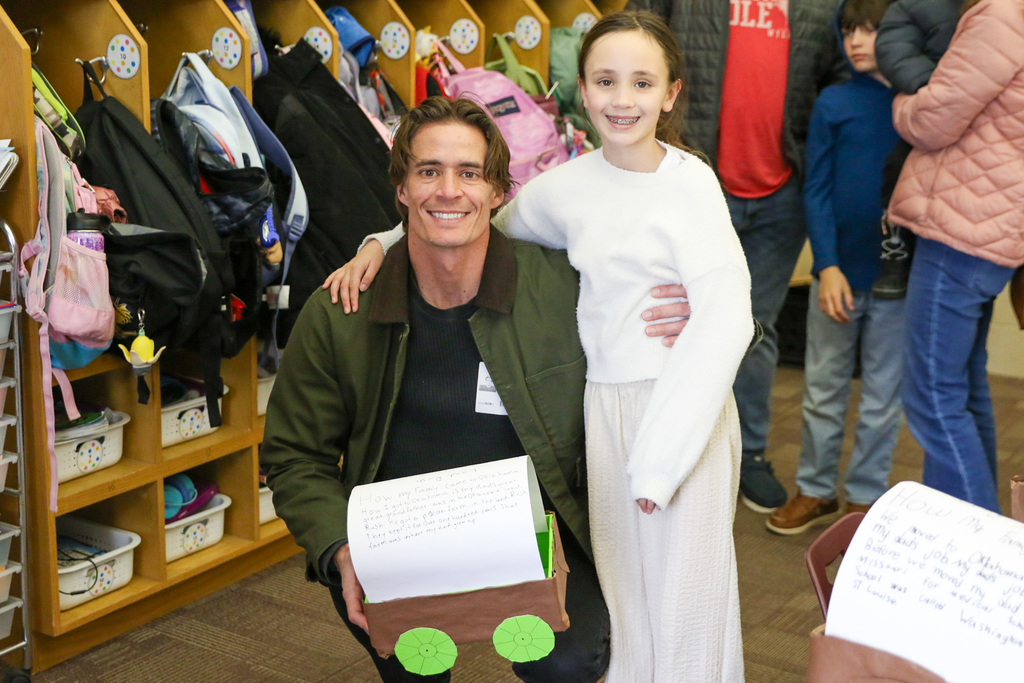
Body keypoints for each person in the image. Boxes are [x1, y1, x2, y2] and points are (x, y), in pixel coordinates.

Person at [324, 12, 751, 681]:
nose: (622, 98)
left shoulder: (691, 181)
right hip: (603, 415)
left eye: (642, 82)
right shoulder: (566, 187)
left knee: (686, 601)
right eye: (606, 80)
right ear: (581, 87)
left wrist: (662, 462)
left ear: (669, 93)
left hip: (679, 410)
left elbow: (728, 316)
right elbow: (470, 222)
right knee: (623, 605)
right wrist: (381, 242)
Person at [260, 95, 689, 683]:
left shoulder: (566, 288)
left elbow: (692, 334)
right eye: (428, 171)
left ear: (497, 192)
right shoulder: (342, 309)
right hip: (400, 532)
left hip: (540, 526)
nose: (448, 190)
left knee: (567, 660)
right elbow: (294, 455)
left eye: (469, 173)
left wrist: (691, 316)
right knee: (412, 661)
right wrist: (340, 547)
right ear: (402, 190)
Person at [625, 0, 846, 513]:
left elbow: (836, 82)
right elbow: (637, 33)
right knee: (670, 322)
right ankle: (668, 456)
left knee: (753, 330)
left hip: (781, 196)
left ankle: (748, 454)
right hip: (696, 187)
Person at [766, 0, 904, 536]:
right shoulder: (833, 102)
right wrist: (826, 266)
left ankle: (866, 497)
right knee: (823, 387)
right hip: (838, 277)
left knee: (881, 397)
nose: (857, 40)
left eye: (870, 29)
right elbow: (817, 190)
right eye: (849, 30)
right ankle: (817, 489)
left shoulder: (914, 102)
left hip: (898, 279)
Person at [886, 0, 1024, 513]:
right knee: (963, 390)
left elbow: (931, 121)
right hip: (993, 230)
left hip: (962, 229)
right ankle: (981, 535)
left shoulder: (1003, 16)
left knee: (933, 399)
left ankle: (982, 560)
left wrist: (901, 98)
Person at [869, 0, 961, 299]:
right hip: (930, 105)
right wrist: (933, 87)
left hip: (986, 115)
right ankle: (894, 248)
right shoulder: (915, 5)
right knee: (898, 167)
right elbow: (894, 47)